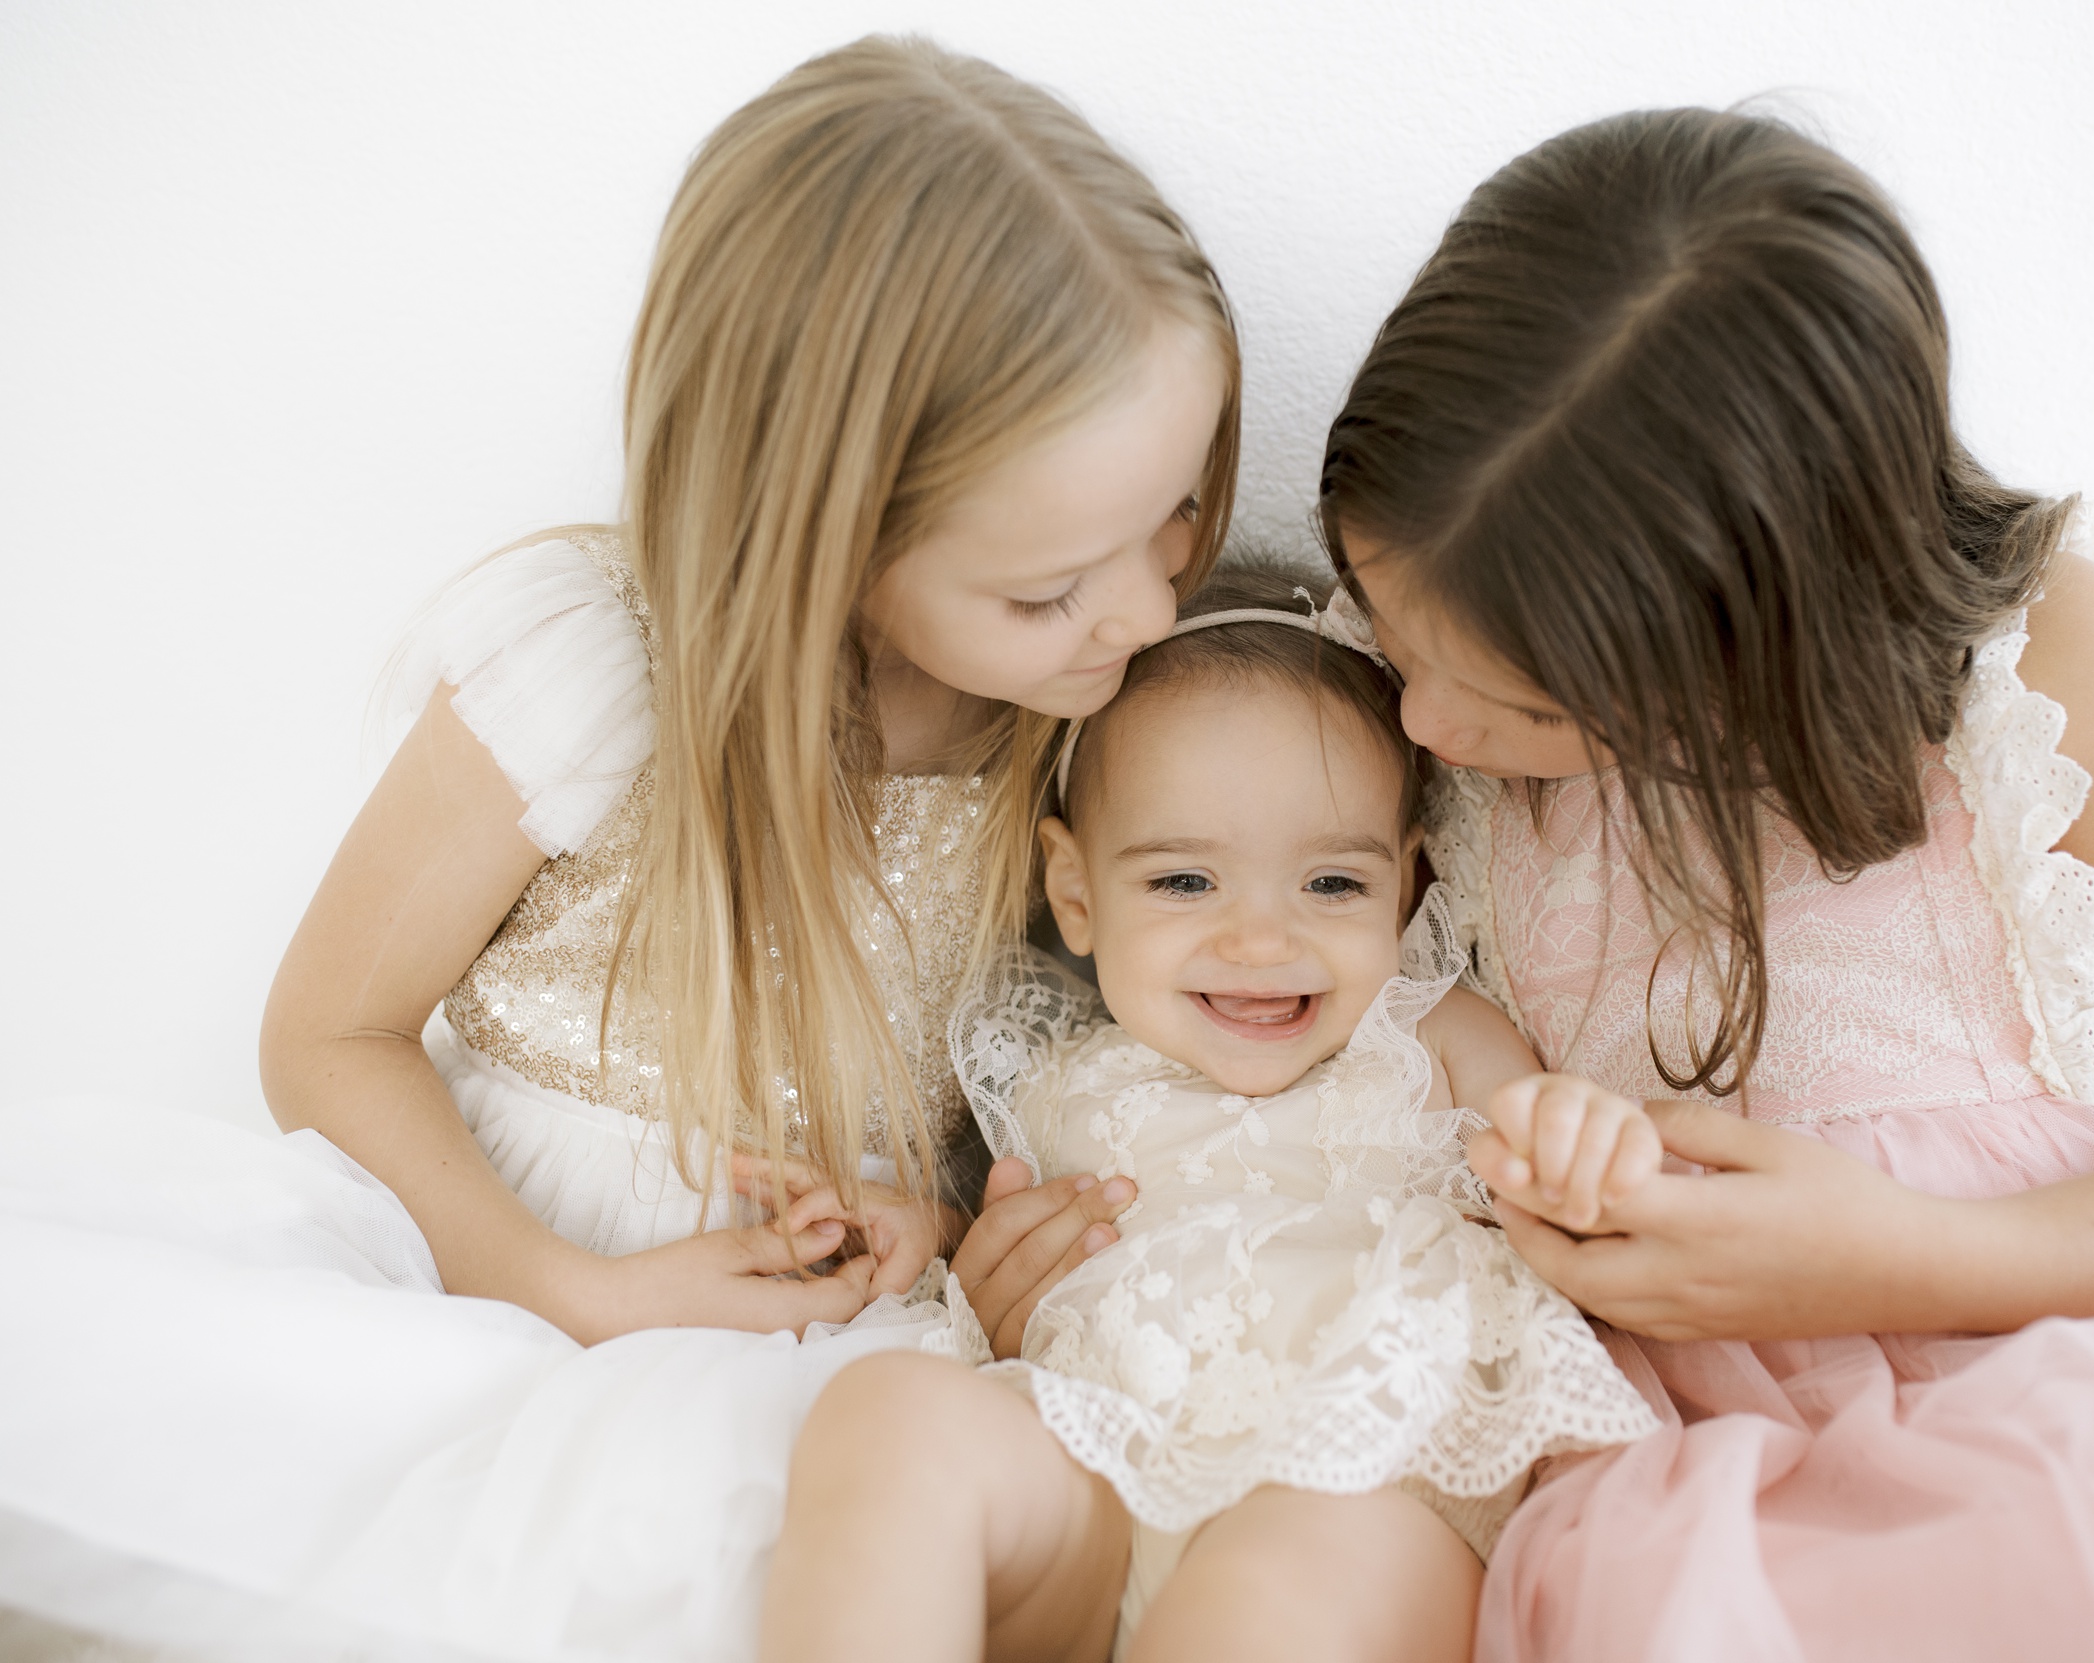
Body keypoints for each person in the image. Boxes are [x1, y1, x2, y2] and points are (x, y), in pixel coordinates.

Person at [0, 36, 1233, 1659]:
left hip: (820, 1334)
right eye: (1050, 585)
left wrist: (937, 1223)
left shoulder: (1076, 729)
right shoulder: (601, 677)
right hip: (483, 1264)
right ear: (833, 534)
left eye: (1175, 517)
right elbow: (327, 1031)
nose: (1145, 612)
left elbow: (1029, 1085)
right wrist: (557, 1286)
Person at [1317, 107, 2094, 1660]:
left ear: (1773, 624)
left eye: (1528, 708)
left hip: (2085, 1376)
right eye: (1399, 643)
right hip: (1696, 1459)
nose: (1422, 725)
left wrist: (1909, 1254)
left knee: (2091, 1563)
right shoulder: (1418, 701)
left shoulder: (2041, 680)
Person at [760, 562, 1659, 1663]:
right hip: (1098, 1463)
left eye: (1330, 884)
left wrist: (1586, 1148)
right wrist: (938, 1241)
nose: (1259, 941)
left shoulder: (1428, 1035)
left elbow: (1548, 1156)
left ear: (1407, 887)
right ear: (1077, 894)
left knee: (1268, 1604)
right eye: (1185, 883)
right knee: (889, 1412)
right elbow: (1011, 1238)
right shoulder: (1053, 1067)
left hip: (1355, 1476)